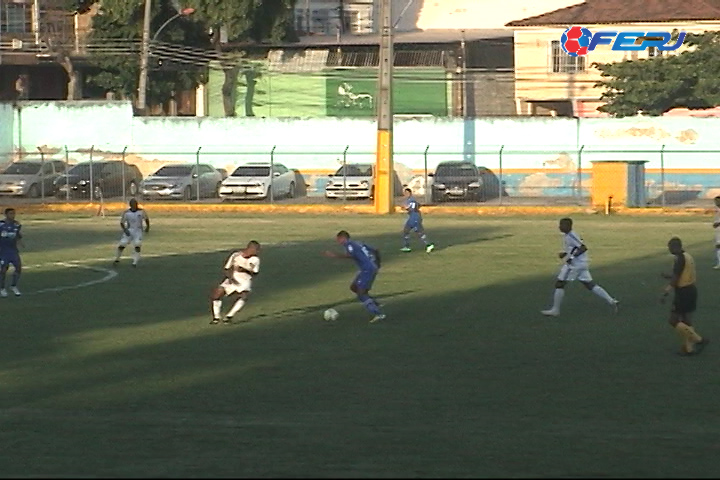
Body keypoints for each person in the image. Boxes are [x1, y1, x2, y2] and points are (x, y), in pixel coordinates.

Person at [541, 217, 619, 317]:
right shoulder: (567, 235)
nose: (559, 227)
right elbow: (573, 248)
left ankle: (555, 310)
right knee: (589, 284)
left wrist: (571, 258)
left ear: (568, 226)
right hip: (581, 264)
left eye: (562, 225)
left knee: (560, 284)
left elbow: (583, 247)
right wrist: (564, 254)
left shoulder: (571, 235)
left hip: (575, 265)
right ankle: (612, 301)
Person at [324, 230, 386, 323]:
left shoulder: (349, 245)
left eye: (339, 239)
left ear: (343, 238)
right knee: (354, 287)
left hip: (367, 270)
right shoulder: (358, 243)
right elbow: (376, 250)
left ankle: (378, 314)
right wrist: (378, 263)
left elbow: (350, 255)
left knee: (361, 293)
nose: (338, 242)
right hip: (368, 268)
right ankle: (375, 303)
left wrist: (335, 255)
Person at [661, 237, 709, 356]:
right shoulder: (688, 256)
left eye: (670, 247)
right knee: (686, 320)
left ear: (675, 247)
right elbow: (681, 273)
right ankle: (689, 349)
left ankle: (699, 340)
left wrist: (666, 291)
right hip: (691, 290)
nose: (669, 250)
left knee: (673, 320)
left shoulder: (680, 258)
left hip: (683, 292)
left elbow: (676, 277)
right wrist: (668, 276)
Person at [210, 240, 261, 325]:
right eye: (256, 249)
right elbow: (227, 268)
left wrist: (244, 269)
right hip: (232, 278)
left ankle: (229, 316)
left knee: (244, 296)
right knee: (217, 294)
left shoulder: (255, 259)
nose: (258, 252)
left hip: (245, 281)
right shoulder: (235, 255)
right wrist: (230, 278)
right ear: (250, 248)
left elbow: (255, 273)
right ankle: (216, 317)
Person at [113, 199, 150, 267]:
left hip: (138, 230)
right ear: (130, 205)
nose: (134, 205)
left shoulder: (141, 211)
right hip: (130, 230)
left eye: (135, 204)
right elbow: (122, 222)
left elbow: (146, 219)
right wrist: (125, 230)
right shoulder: (126, 212)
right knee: (122, 244)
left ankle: (135, 262)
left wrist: (147, 227)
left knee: (137, 244)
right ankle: (117, 259)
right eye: (133, 204)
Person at [400, 187, 434, 253]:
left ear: (410, 193)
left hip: (415, 219)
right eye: (405, 193)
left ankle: (429, 245)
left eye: (407, 193)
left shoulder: (411, 200)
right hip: (411, 218)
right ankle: (407, 247)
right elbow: (418, 205)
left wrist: (405, 208)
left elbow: (411, 208)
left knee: (419, 233)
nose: (405, 194)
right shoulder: (410, 200)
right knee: (406, 231)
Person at [0, 207, 24, 297]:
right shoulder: (1, 225)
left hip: (13, 251)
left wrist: (20, 243)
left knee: (18, 268)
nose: (13, 216)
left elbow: (18, 235)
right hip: (3, 251)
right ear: (6, 215)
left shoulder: (17, 225)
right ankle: (2, 288)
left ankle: (13, 285)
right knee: (3, 270)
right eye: (11, 214)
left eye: (14, 214)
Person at [712, 196, 720, 269]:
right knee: (718, 246)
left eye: (717, 201)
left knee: (718, 246)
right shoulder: (717, 210)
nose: (716, 202)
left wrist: (717, 223)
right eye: (715, 201)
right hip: (718, 231)